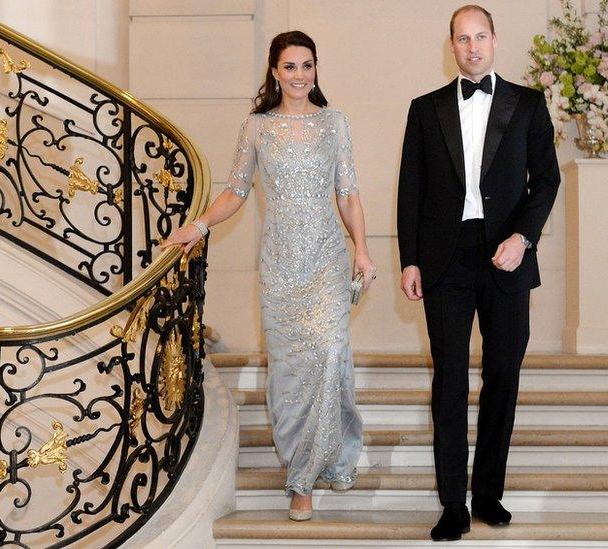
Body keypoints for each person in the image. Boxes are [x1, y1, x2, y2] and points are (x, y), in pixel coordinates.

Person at [163, 30, 373, 522]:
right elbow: (235, 190)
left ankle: (306, 478)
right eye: (290, 66)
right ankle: (300, 470)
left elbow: (348, 193)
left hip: (325, 258)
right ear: (275, 72)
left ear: (316, 69)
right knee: (288, 370)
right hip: (280, 263)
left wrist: (362, 249)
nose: (300, 75)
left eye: (307, 65)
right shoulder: (256, 128)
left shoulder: (334, 123)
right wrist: (200, 224)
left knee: (327, 353)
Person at [396, 5, 560, 542]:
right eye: (462, 39)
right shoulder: (425, 109)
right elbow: (410, 190)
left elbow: (547, 181)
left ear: (495, 40)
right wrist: (410, 260)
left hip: (508, 256)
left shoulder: (528, 104)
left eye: (480, 37)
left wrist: (523, 238)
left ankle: (488, 494)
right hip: (445, 258)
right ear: (451, 45)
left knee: (503, 377)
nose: (472, 47)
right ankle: (452, 504)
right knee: (449, 380)